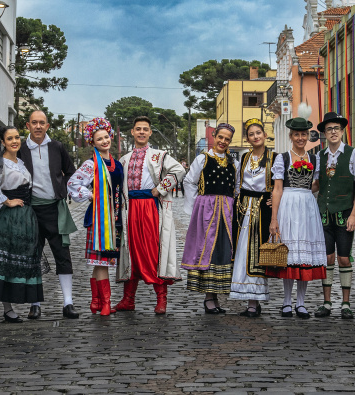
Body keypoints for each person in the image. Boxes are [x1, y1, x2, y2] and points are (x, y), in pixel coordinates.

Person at [114, 116, 185, 314]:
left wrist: (161, 188)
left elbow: (179, 170)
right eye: (138, 129)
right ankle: (128, 299)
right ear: (132, 132)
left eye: (145, 129)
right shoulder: (124, 159)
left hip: (150, 208)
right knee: (131, 252)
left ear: (150, 133)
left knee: (152, 251)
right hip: (130, 209)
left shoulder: (159, 155)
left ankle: (161, 299)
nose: (142, 132)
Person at [0, 125, 45, 322]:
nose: (14, 141)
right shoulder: (0, 162)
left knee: (15, 262)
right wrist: (6, 201)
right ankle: (5, 308)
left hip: (25, 218)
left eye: (17, 137)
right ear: (3, 142)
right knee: (6, 261)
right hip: (8, 218)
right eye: (10, 138)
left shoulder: (20, 162)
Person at [18, 110, 79, 319]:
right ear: (27, 125)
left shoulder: (57, 147)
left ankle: (68, 302)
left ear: (47, 126)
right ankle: (34, 304)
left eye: (41, 123)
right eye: (33, 122)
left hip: (55, 209)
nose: (37, 126)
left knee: (63, 254)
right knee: (32, 255)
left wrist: (63, 189)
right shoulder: (21, 148)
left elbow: (71, 172)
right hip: (30, 210)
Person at [267, 117, 327, 319]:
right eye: (297, 134)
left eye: (304, 134)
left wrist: (307, 189)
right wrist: (274, 218)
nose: (301, 138)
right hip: (288, 205)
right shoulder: (282, 158)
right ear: (291, 136)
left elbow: (316, 184)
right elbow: (277, 189)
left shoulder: (314, 158)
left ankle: (300, 303)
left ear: (308, 136)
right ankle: (286, 301)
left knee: (306, 255)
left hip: (307, 205)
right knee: (289, 253)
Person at [67, 118, 125, 316]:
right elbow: (73, 184)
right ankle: (106, 303)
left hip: (115, 218)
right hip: (99, 219)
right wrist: (90, 194)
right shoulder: (90, 164)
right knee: (101, 260)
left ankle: (96, 302)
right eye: (99, 139)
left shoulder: (117, 164)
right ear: (93, 143)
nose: (104, 141)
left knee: (103, 260)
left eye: (106, 137)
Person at [312, 112, 355, 319]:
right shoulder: (319, 156)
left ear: (342, 131)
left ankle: (345, 303)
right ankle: (326, 302)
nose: (333, 132)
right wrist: (296, 192)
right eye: (329, 129)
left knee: (344, 258)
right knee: (327, 257)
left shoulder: (353, 154)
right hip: (324, 213)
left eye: (336, 128)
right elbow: (317, 184)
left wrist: (354, 214)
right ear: (324, 134)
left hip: (345, 213)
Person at [182, 123, 237, 314]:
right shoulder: (202, 159)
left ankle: (216, 296)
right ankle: (208, 298)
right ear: (214, 136)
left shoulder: (233, 162)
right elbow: (189, 181)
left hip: (227, 212)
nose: (223, 141)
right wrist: (195, 207)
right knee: (208, 251)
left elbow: (236, 188)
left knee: (223, 250)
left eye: (227, 139)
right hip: (207, 211)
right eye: (220, 137)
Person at [229, 118, 275, 317]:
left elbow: (279, 184)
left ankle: (255, 301)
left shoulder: (275, 158)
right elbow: (238, 185)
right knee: (242, 253)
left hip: (263, 209)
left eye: (258, 133)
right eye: (251, 134)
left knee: (257, 255)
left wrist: (275, 199)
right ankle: (249, 301)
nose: (255, 136)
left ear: (265, 135)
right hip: (244, 209)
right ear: (247, 139)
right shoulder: (244, 158)